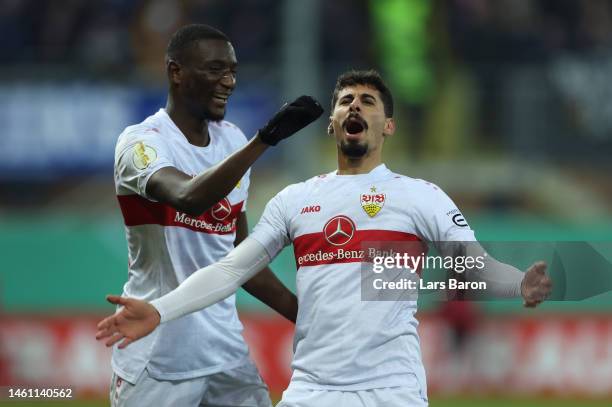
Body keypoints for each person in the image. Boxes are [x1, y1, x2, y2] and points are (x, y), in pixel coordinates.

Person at [98, 70, 552, 406]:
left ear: (388, 126)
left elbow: (474, 266)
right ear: (332, 123)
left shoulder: (422, 197)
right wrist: (159, 310)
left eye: (369, 101)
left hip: (392, 390)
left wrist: (518, 284)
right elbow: (231, 268)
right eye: (347, 100)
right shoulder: (294, 201)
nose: (356, 106)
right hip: (311, 391)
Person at [108, 23, 323, 407]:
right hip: (158, 360)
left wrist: (308, 318)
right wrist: (265, 141)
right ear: (176, 72)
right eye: (214, 70)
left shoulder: (232, 140)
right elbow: (189, 197)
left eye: (233, 71)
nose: (228, 81)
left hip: (227, 359)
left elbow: (240, 258)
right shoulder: (141, 143)